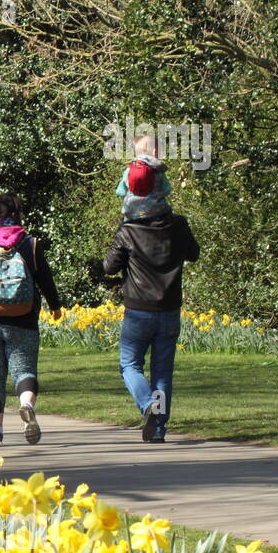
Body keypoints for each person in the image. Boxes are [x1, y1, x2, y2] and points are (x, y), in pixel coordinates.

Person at [102, 152, 200, 443]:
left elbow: (109, 267)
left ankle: (148, 406)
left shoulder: (128, 230)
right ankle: (158, 429)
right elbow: (193, 254)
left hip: (138, 309)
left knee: (130, 364)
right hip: (169, 308)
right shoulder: (178, 224)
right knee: (162, 371)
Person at [0, 193, 63, 447]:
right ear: (18, 213)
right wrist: (55, 306)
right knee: (25, 370)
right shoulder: (31, 244)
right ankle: (26, 405)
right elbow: (46, 280)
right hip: (24, 319)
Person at [117, 135, 173, 221]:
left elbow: (120, 192)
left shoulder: (128, 170)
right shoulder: (158, 171)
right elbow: (167, 190)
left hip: (132, 215)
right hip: (157, 214)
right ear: (155, 152)